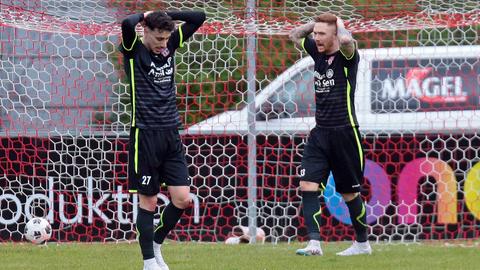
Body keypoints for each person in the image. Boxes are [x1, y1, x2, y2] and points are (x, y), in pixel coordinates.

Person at [120, 9, 205, 270]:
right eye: (158, 38)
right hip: (145, 134)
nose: (163, 44)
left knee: (183, 199)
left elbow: (198, 17)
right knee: (149, 200)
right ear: (144, 31)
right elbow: (127, 22)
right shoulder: (133, 50)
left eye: (166, 39)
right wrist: (147, 14)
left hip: (171, 134)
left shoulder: (170, 46)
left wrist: (165, 13)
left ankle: (156, 243)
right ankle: (148, 263)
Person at [289, 13, 372, 256]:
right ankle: (314, 244)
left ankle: (362, 244)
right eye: (315, 34)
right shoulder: (316, 51)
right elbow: (294, 35)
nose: (316, 39)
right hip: (320, 133)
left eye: (322, 34)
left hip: (345, 132)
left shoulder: (348, 58)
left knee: (349, 192)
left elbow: (347, 42)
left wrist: (340, 25)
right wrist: (315, 24)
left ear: (335, 34)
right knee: (307, 184)